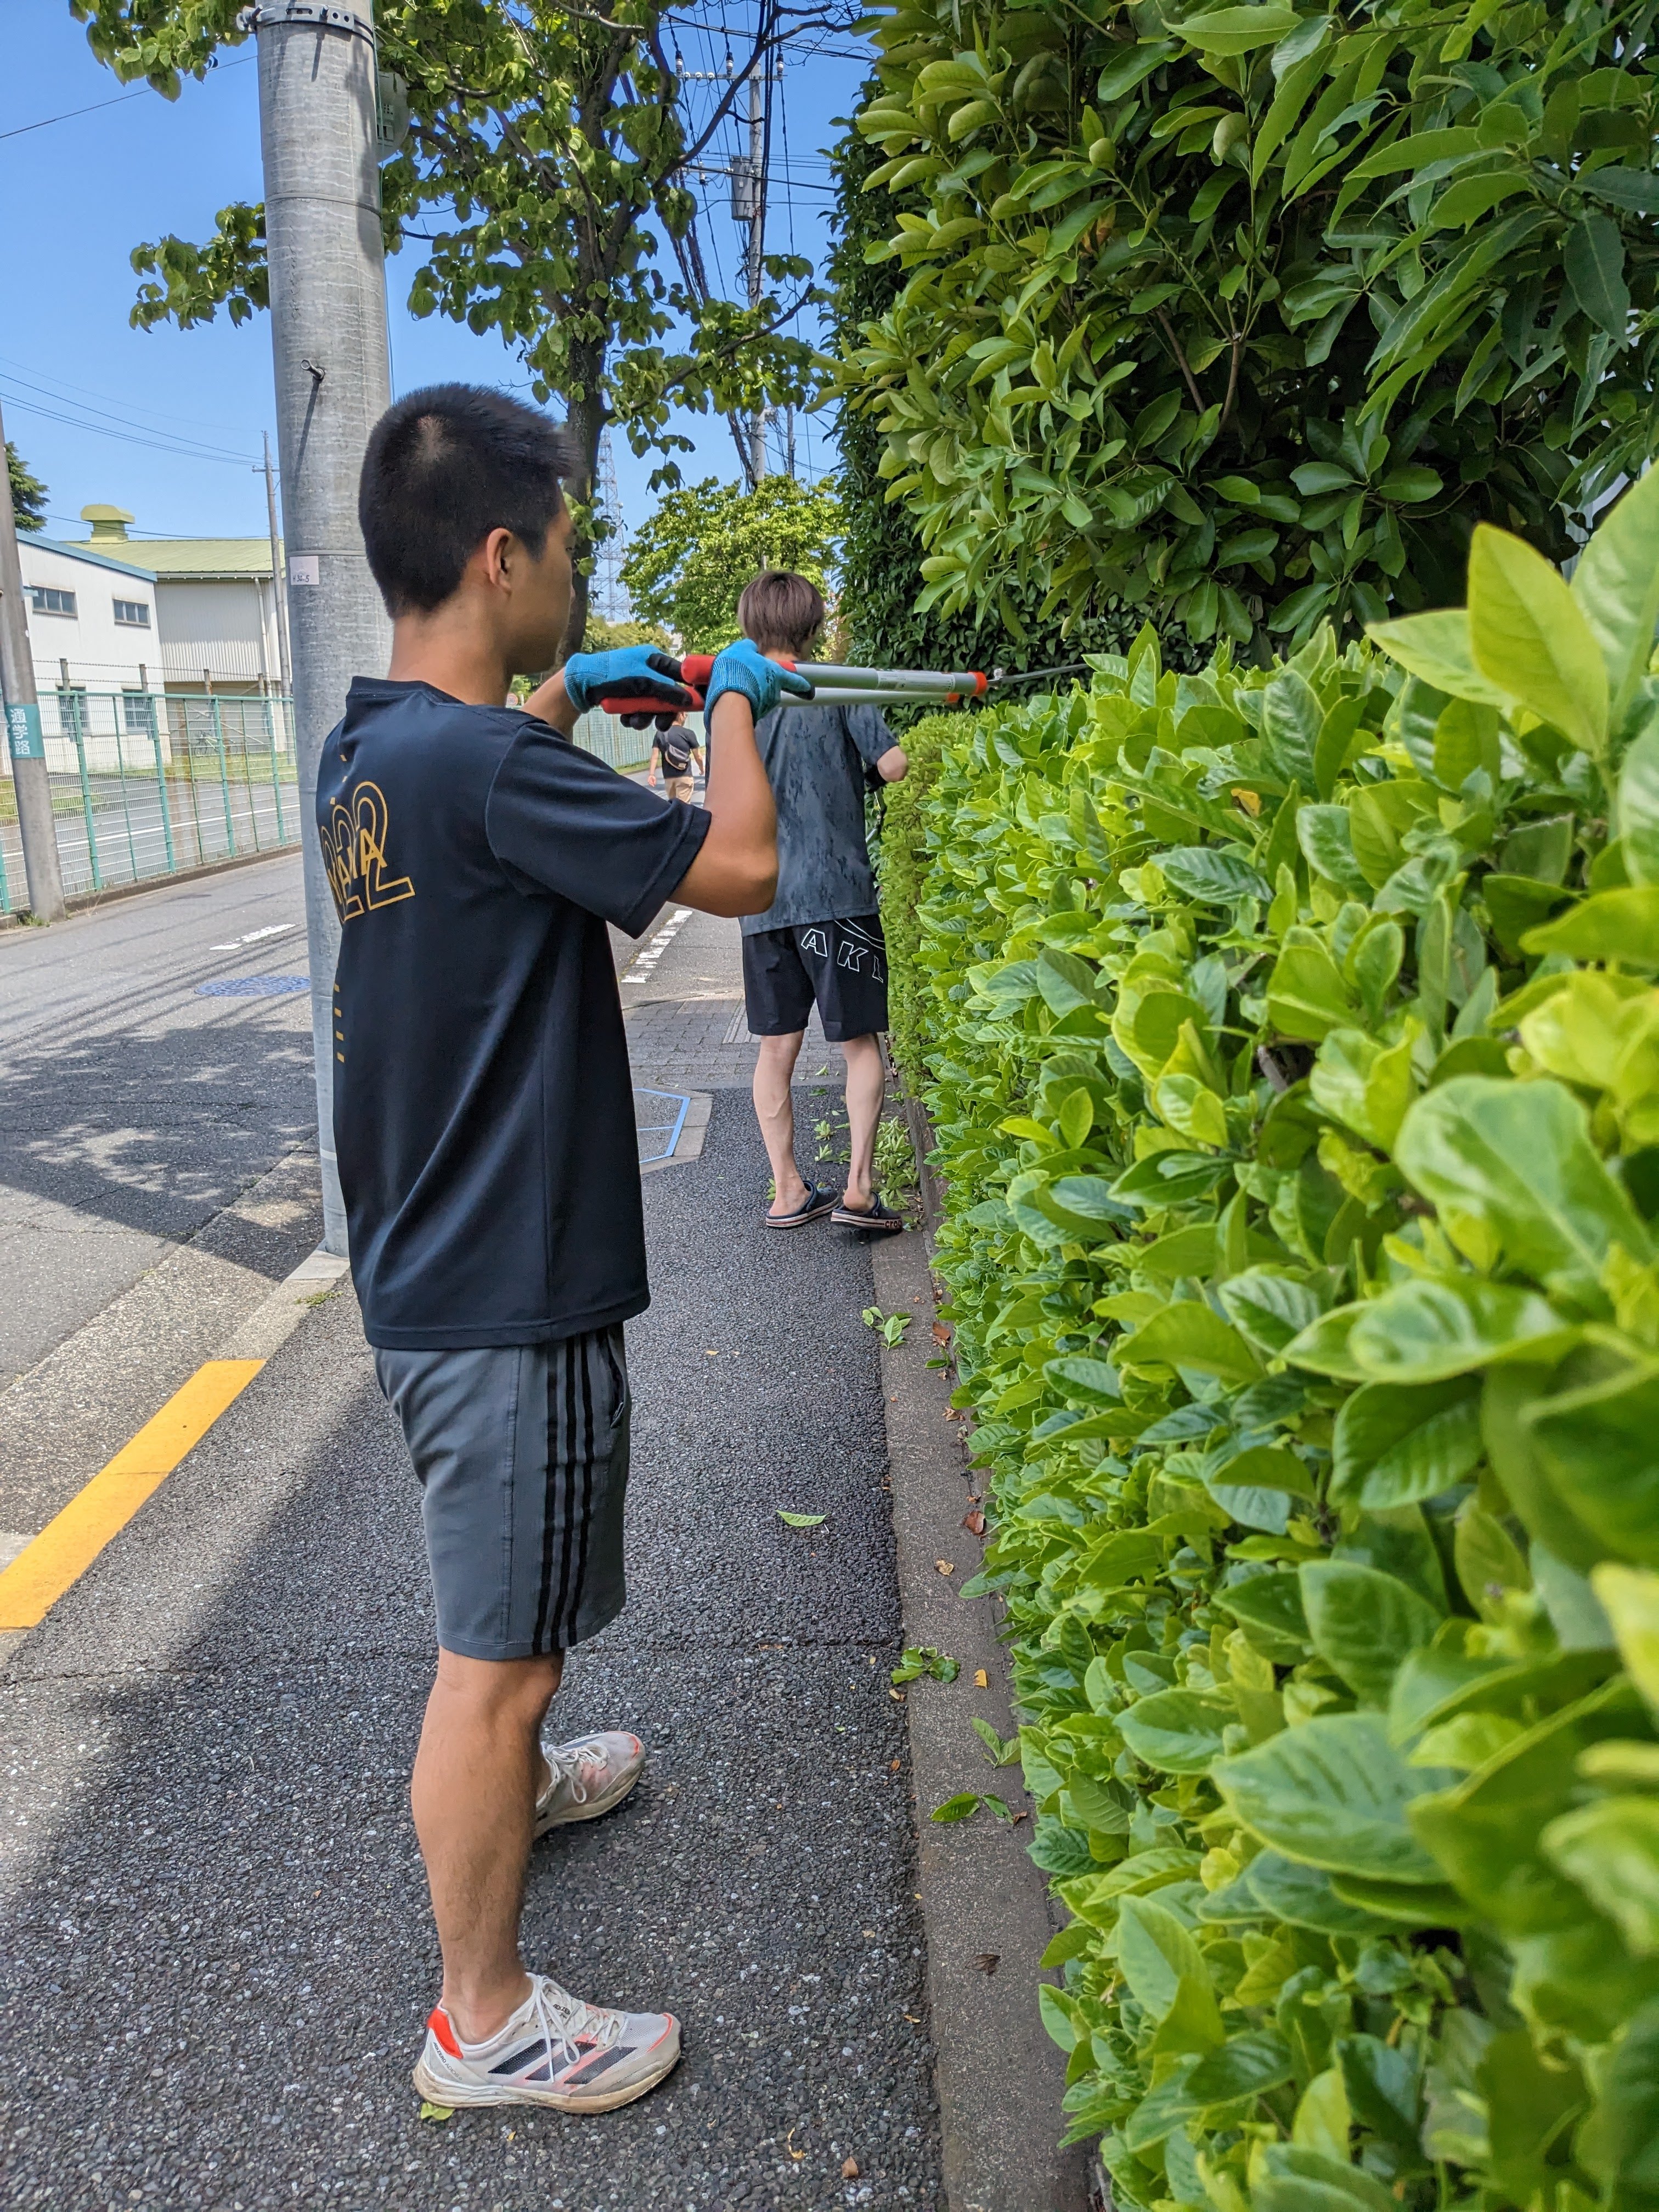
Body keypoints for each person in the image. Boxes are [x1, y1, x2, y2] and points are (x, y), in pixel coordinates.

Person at [318, 383, 810, 2115]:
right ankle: (484, 2019)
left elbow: (486, 767)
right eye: (574, 549)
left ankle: (515, 1794)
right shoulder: (488, 764)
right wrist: (737, 696)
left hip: (427, 1262)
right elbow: (741, 860)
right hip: (502, 1290)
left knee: (502, 1624)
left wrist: (567, 693)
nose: (585, 577)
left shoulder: (374, 750)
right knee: (499, 1663)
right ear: (505, 552)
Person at [736, 571, 909, 1233]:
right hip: (837, 893)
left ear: (753, 625)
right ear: (813, 625)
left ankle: (786, 1191)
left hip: (763, 900)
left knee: (775, 1049)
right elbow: (891, 767)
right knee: (860, 1043)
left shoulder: (734, 699)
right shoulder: (836, 683)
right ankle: (859, 1190)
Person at [647, 715, 703, 803]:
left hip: (669, 778)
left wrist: (652, 774)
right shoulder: (688, 733)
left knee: (673, 807)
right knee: (684, 808)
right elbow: (698, 756)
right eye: (685, 715)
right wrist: (701, 768)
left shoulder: (660, 734)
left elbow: (655, 756)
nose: (686, 717)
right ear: (680, 715)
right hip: (685, 776)